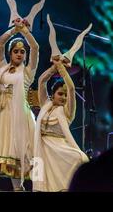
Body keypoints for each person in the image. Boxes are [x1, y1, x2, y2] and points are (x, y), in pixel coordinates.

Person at [0, 18, 38, 191]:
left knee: (22, 153)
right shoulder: (3, 69)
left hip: (20, 117)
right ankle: (17, 187)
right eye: (16, 51)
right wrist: (14, 29)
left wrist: (24, 32)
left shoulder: (28, 72)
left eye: (22, 52)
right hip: (3, 115)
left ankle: (29, 187)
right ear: (10, 53)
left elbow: (36, 48)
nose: (20, 54)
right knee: (9, 157)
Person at [33, 59, 89, 191]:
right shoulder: (45, 105)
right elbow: (42, 81)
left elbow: (71, 88)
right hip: (42, 148)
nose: (63, 97)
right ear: (52, 95)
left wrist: (61, 68)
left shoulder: (67, 111)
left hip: (60, 147)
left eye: (65, 95)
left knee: (80, 158)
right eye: (60, 94)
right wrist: (54, 67)